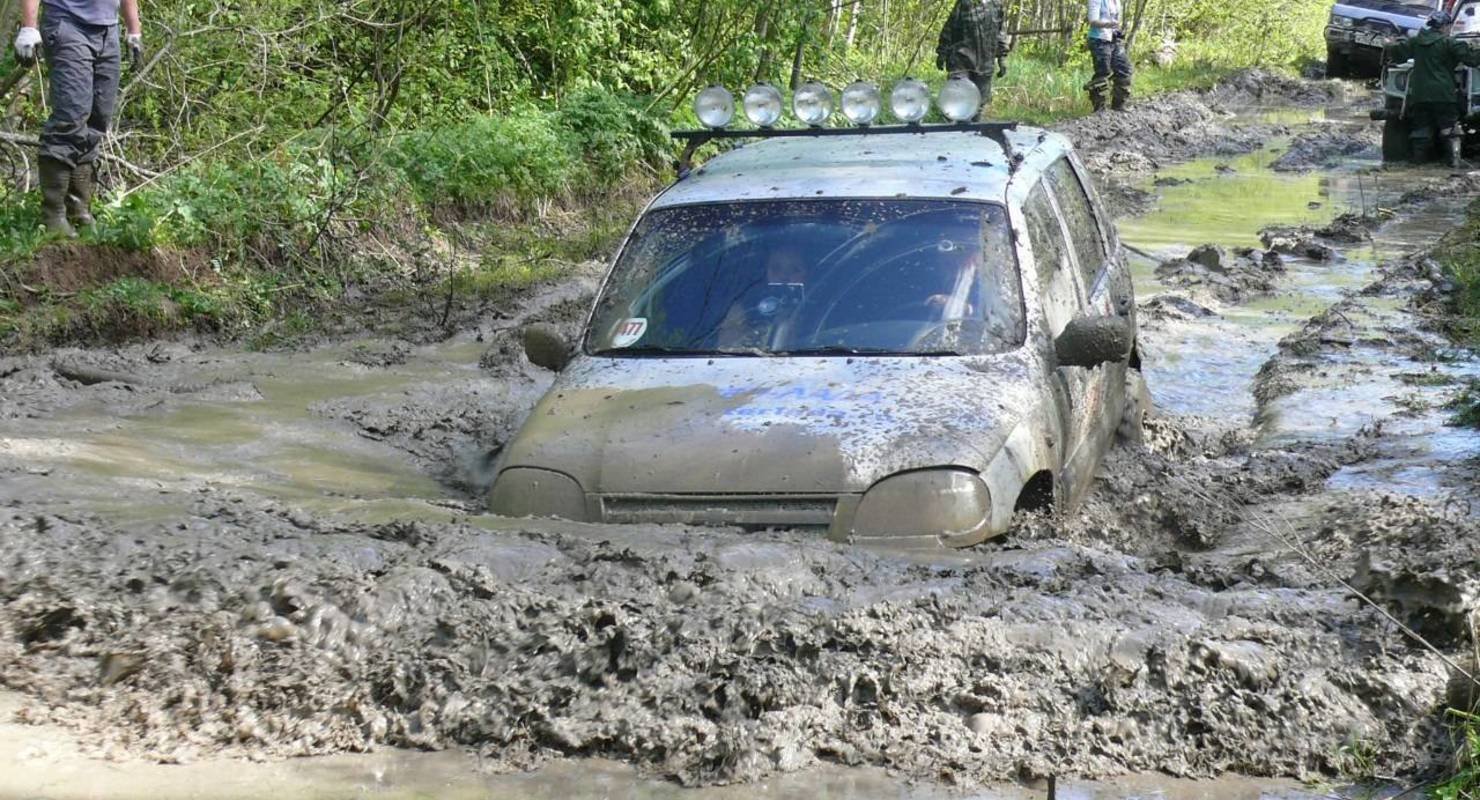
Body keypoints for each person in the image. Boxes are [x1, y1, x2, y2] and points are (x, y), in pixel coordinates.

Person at [12, 0, 143, 236]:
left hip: (108, 30)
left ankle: (79, 209)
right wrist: (28, 27)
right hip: (68, 23)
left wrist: (134, 29)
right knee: (71, 117)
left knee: (98, 118)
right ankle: (53, 215)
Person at [1383, 10, 1480, 165]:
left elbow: (1398, 53)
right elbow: (1472, 60)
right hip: (1443, 94)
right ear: (1445, 27)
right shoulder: (1449, 43)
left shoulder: (1416, 41)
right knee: (1449, 128)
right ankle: (1453, 162)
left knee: (1421, 129)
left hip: (1419, 94)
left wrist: (1389, 44)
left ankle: (1417, 163)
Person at [716, 247, 808, 350]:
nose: (784, 276)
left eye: (795, 270)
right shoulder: (745, 308)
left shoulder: (822, 310)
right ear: (765, 272)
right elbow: (726, 350)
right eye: (776, 268)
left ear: (808, 275)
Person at [936, 0, 1009, 119]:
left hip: (985, 63)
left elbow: (1000, 33)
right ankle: (951, 132)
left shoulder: (996, 6)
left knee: (978, 105)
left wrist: (1002, 58)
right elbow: (949, 28)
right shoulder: (965, 4)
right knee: (956, 98)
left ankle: (974, 133)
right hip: (961, 61)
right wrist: (942, 52)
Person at [1085, 0, 1132, 112]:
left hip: (1114, 39)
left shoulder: (1117, 2)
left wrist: (1117, 28)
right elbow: (1092, 21)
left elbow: (1115, 19)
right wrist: (1109, 24)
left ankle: (1118, 104)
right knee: (1103, 72)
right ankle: (1099, 107)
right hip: (1099, 39)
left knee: (1124, 69)